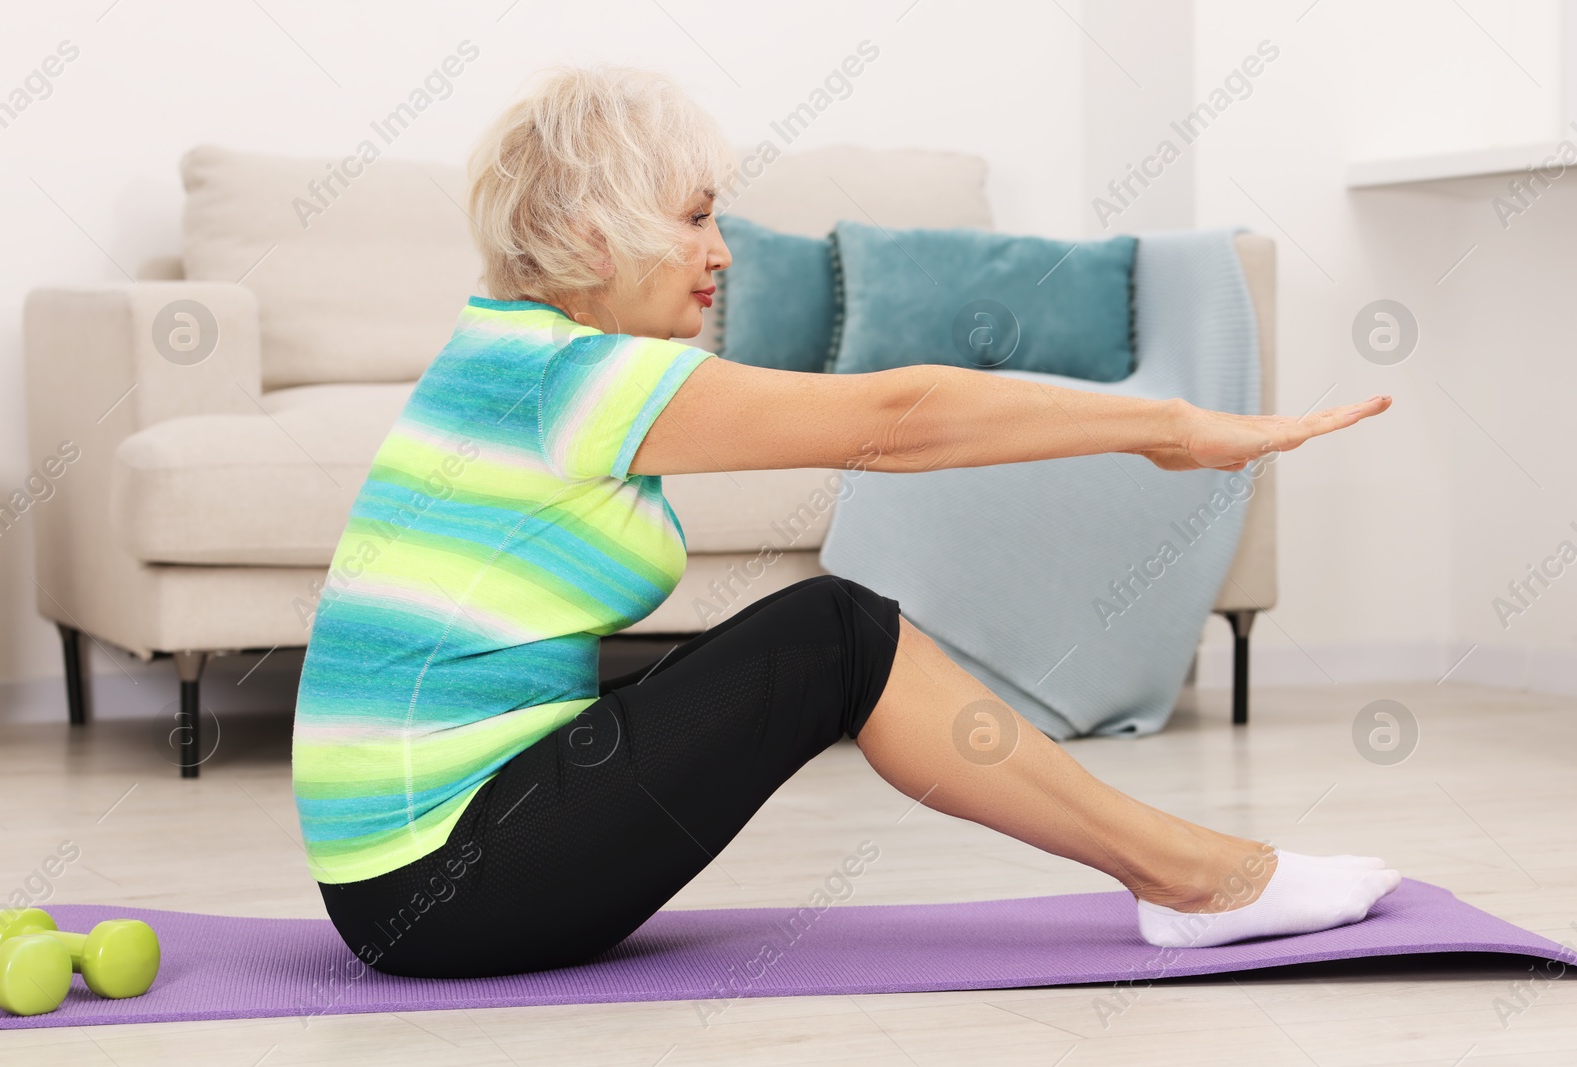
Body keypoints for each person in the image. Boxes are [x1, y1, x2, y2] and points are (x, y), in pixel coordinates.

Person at [291, 64, 1400, 979]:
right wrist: (1162, 424)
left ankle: (1188, 870)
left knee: (821, 631)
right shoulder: (567, 379)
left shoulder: (510, 357)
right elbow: (891, 418)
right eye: (692, 218)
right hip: (441, 886)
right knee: (835, 632)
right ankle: (1194, 875)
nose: (721, 250)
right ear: (592, 240)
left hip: (429, 868)